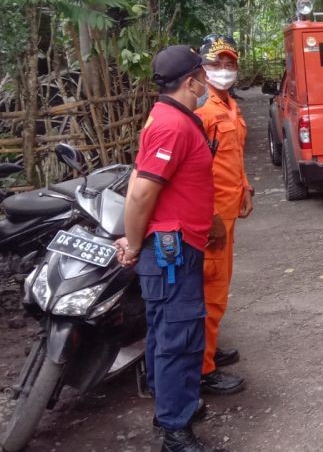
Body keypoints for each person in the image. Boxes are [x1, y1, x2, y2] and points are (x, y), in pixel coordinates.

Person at [116, 45, 222, 452]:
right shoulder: (171, 126)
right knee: (179, 337)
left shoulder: (172, 118)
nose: (206, 80)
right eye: (202, 73)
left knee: (167, 333)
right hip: (170, 252)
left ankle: (173, 407)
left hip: (178, 246)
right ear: (191, 79)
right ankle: (175, 432)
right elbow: (141, 192)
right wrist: (134, 242)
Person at [194, 34, 251, 396]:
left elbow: (231, 157)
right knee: (211, 291)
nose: (224, 70)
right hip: (210, 218)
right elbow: (195, 172)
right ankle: (202, 370)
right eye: (217, 63)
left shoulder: (229, 105)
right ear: (202, 67)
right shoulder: (201, 111)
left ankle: (209, 353)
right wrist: (210, 217)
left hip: (228, 211)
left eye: (229, 64)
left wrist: (246, 187)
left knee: (220, 286)